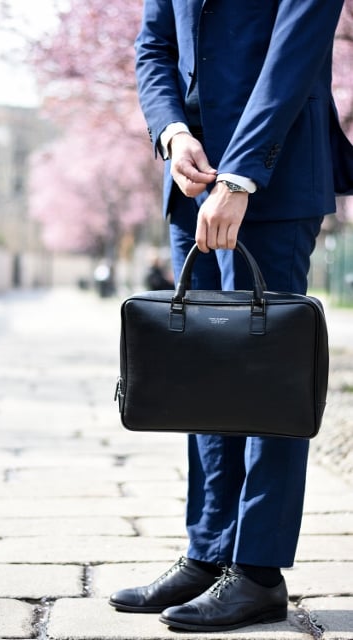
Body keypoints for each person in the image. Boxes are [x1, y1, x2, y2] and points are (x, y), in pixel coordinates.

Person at [109, 0, 353, 634]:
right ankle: (210, 550)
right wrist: (171, 131)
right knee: (202, 375)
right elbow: (154, 46)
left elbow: (293, 55)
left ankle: (259, 573)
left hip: (271, 174)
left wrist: (241, 176)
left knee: (267, 376)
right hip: (190, 181)